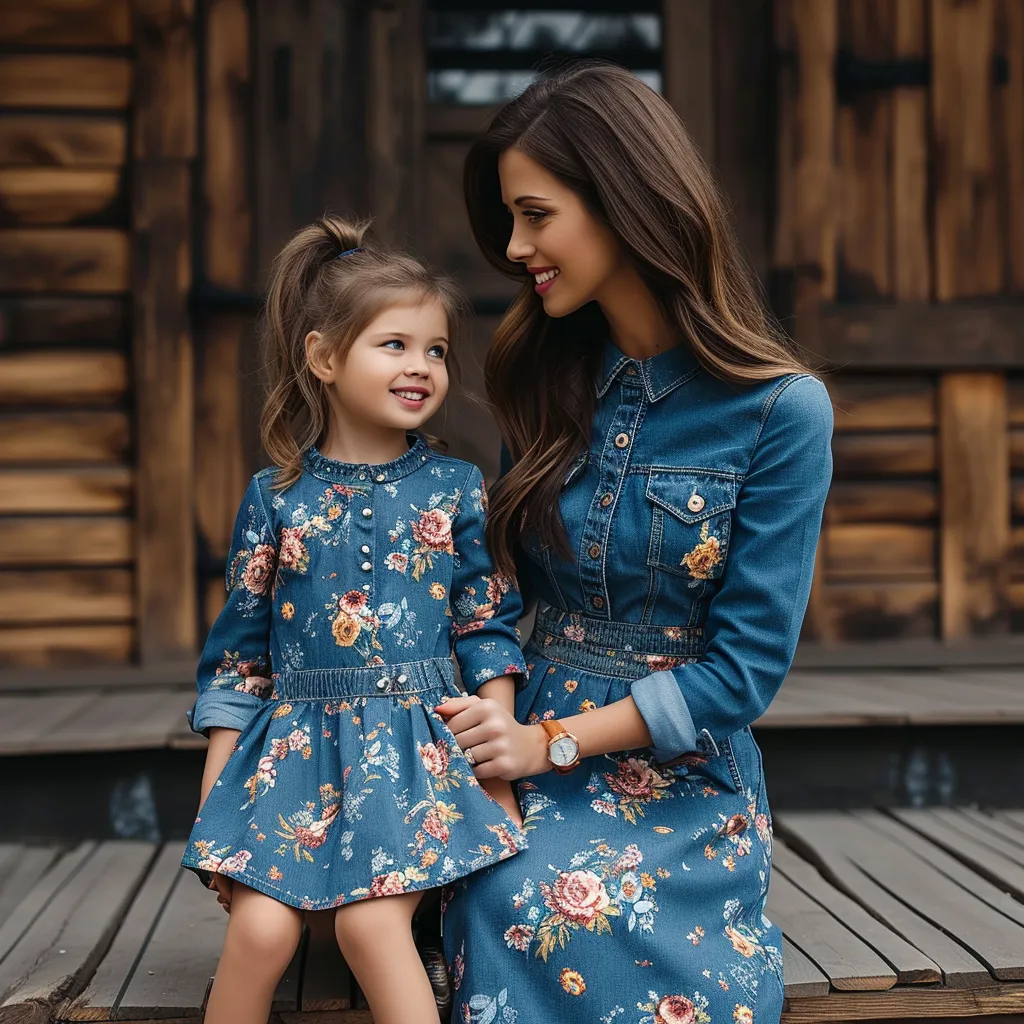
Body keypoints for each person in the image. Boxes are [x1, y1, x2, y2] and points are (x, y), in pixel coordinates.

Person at [435, 62, 833, 1024]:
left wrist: (551, 744)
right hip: (518, 734)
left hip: (679, 770)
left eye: (537, 215)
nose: (518, 247)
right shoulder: (540, 372)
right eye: (512, 221)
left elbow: (742, 675)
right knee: (461, 889)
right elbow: (487, 593)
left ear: (623, 202)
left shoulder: (783, 411)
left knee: (547, 907)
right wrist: (501, 739)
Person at [181, 216, 527, 1024]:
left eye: (436, 350)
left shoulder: (456, 487)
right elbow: (238, 661)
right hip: (294, 760)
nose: (421, 366)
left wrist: (498, 766)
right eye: (394, 345)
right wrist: (216, 795)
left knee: (372, 924)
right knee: (261, 930)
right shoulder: (274, 498)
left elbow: (485, 624)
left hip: (417, 754)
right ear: (324, 358)